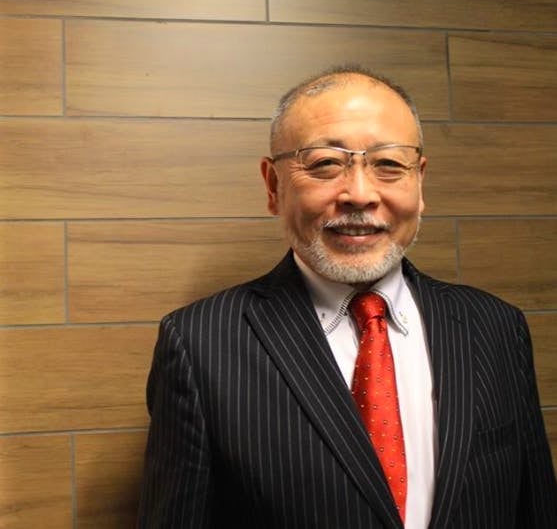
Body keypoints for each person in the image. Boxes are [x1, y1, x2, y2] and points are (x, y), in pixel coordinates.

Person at [137, 65, 557, 528]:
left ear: (420, 182)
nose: (359, 194)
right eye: (325, 164)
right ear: (273, 186)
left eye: (388, 164)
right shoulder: (199, 345)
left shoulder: (496, 327)